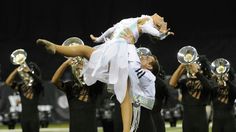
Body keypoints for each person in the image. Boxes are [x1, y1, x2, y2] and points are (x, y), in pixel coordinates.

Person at [36, 13, 174, 132]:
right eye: (162, 18)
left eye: (162, 19)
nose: (161, 17)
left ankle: (56, 48)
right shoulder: (136, 19)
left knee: (85, 51)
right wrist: (99, 39)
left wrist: (162, 32)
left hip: (119, 50)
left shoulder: (146, 22)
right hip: (114, 48)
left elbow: (152, 32)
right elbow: (111, 29)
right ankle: (55, 47)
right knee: (124, 93)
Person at [51, 56, 104, 132]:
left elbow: (103, 73)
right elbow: (54, 81)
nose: (80, 70)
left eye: (82, 68)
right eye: (77, 69)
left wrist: (90, 64)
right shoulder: (70, 86)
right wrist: (65, 64)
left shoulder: (94, 85)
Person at [169, 55, 213, 132]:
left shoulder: (206, 81)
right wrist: (181, 67)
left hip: (201, 117)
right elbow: (172, 83)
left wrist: (196, 72)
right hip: (187, 118)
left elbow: (208, 88)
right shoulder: (184, 81)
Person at [5, 61, 43, 132]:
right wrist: (16, 70)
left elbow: (39, 82)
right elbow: (8, 82)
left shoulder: (37, 87)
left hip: (34, 118)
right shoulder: (21, 86)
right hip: (24, 118)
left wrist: (29, 72)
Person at [210, 58, 236, 132]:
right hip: (216, 120)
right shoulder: (214, 89)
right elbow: (208, 88)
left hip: (230, 120)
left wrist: (227, 80)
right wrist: (213, 78)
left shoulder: (231, 89)